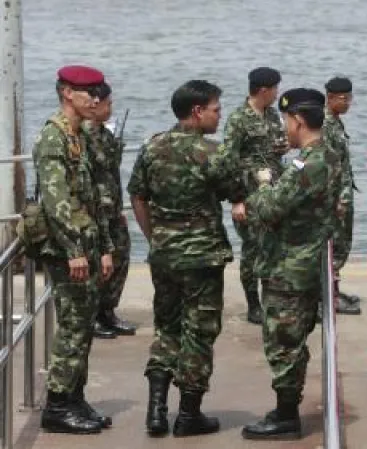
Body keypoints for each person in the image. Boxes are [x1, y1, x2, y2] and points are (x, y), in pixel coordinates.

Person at [128, 80, 247, 437]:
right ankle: (189, 414)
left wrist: (156, 236)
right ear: (197, 111)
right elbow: (237, 195)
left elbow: (137, 195)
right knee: (200, 331)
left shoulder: (152, 147)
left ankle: (155, 411)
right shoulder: (214, 153)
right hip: (201, 258)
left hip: (164, 255)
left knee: (166, 327)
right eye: (215, 109)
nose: (219, 115)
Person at [241, 88, 342, 440]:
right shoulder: (325, 155)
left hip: (290, 267)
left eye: (286, 121)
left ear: (298, 121)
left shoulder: (310, 164)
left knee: (283, 341)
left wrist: (263, 183)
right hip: (300, 263)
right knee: (292, 341)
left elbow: (269, 209)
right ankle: (286, 406)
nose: (284, 128)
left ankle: (286, 415)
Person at [35, 65, 115, 434]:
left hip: (87, 246)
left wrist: (104, 248)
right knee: (72, 328)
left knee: (83, 326)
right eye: (88, 94)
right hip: (68, 251)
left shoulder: (78, 136)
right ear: (67, 92)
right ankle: (56, 406)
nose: (95, 101)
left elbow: (94, 200)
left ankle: (74, 397)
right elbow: (57, 201)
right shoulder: (54, 138)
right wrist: (72, 249)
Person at [223, 66, 288, 325]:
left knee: (273, 247)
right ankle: (253, 304)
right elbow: (229, 159)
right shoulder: (238, 119)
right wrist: (237, 198)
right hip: (249, 192)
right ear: (264, 90)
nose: (277, 94)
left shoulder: (273, 115)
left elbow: (276, 146)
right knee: (252, 249)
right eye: (275, 89)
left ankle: (271, 299)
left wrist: (282, 146)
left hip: (273, 189)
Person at [83, 82, 137, 340]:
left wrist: (119, 207)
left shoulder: (106, 135)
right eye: (108, 103)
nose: (110, 108)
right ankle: (92, 316)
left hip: (112, 208)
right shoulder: (81, 137)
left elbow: (112, 174)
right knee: (97, 264)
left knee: (121, 256)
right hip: (93, 211)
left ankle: (108, 311)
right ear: (95, 103)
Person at [322, 76, 360, 315]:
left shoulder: (335, 122)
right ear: (330, 98)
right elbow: (329, 167)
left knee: (342, 244)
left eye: (349, 98)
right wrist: (338, 199)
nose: (347, 103)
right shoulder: (325, 125)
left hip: (343, 193)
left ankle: (334, 290)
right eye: (343, 99)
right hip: (335, 197)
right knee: (334, 246)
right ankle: (329, 296)